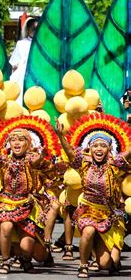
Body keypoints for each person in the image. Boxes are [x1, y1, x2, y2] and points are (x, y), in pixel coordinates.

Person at [0, 128, 53, 274]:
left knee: (32, 251)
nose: (16, 143)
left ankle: (30, 257)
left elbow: (37, 163)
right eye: (13, 140)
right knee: (6, 227)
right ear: (9, 143)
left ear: (28, 143)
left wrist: (42, 156)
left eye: (21, 140)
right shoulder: (4, 159)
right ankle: (5, 261)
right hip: (6, 202)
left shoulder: (32, 158)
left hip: (27, 204)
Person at [56, 117, 131, 278]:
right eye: (95, 145)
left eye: (103, 146)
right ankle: (83, 265)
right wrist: (61, 136)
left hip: (110, 215)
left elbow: (130, 152)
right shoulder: (84, 162)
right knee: (88, 231)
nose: (99, 149)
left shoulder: (115, 164)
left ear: (109, 149)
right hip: (88, 210)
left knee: (107, 264)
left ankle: (106, 253)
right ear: (89, 148)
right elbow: (69, 152)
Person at [9, 17, 38, 105]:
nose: (35, 30)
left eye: (37, 28)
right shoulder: (21, 43)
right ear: (28, 29)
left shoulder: (40, 44)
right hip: (22, 72)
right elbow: (14, 62)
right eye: (33, 28)